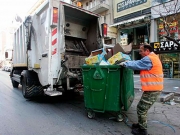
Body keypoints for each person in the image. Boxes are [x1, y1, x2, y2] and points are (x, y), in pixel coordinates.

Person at [119, 44, 163, 135]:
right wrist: (129, 62)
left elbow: (137, 64)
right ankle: (140, 124)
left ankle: (142, 130)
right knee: (141, 107)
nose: (140, 53)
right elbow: (138, 62)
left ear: (147, 51)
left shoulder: (149, 59)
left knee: (141, 109)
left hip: (153, 90)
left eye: (141, 51)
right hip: (152, 89)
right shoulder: (153, 57)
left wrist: (125, 63)